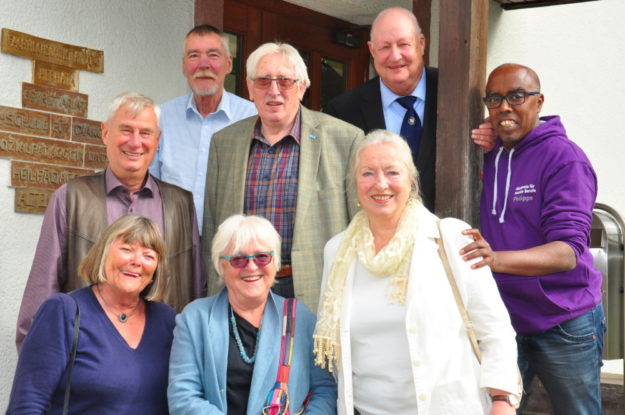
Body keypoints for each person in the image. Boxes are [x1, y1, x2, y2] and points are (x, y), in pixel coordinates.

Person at [314, 130, 520, 415]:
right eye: (368, 173)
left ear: (411, 180)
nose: (380, 183)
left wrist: (502, 400)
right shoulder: (337, 251)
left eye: (392, 172)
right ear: (355, 183)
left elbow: (495, 329)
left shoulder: (451, 238)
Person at [462, 63, 605, 414]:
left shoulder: (564, 158)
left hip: (564, 320)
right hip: (503, 320)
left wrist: (495, 259)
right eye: (495, 99)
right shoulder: (489, 154)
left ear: (539, 102)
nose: (505, 107)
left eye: (516, 96)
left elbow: (567, 253)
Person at [16, 92, 204, 351]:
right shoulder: (71, 198)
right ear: (105, 133)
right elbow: (41, 291)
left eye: (146, 133)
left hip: (163, 361)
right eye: (126, 130)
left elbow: (196, 292)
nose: (136, 142)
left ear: (158, 140)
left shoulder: (180, 204)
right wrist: (38, 368)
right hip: (86, 361)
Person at [202, 42, 363, 311]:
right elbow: (212, 226)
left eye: (285, 81)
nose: (274, 91)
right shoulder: (224, 142)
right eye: (264, 81)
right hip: (243, 284)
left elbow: (360, 226)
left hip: (313, 288)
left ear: (302, 87)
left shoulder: (345, 140)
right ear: (250, 88)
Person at [168, 214, 337, 414]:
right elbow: (183, 396)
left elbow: (325, 391)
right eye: (238, 259)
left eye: (262, 257)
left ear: (274, 263)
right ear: (221, 266)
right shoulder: (195, 318)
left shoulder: (300, 318)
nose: (251, 266)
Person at [7, 215, 175, 414]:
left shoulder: (166, 319)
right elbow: (28, 403)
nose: (137, 261)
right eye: (126, 249)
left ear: (156, 269)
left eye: (148, 255)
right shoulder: (63, 311)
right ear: (103, 253)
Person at [325, 7, 438, 211]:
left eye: (403, 44)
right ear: (371, 50)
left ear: (421, 44)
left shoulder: (453, 92)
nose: (395, 56)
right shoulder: (342, 111)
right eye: (385, 47)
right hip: (373, 235)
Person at [149, 24, 256, 232]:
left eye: (213, 55)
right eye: (194, 55)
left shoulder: (252, 118)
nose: (203, 64)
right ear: (183, 65)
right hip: (172, 243)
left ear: (229, 64)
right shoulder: (162, 117)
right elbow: (149, 187)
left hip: (231, 248)